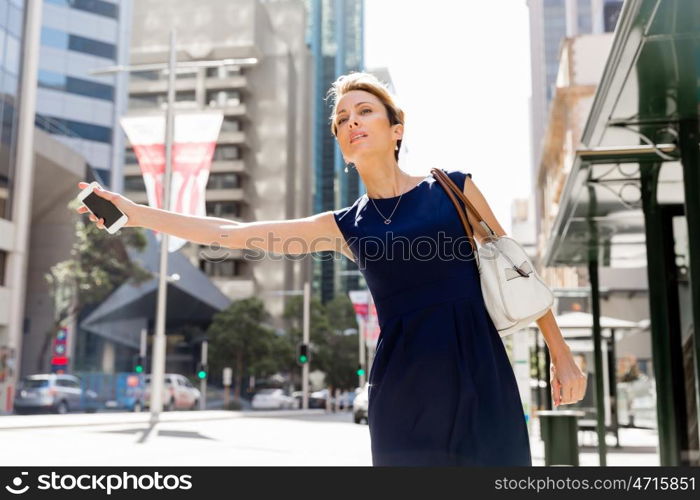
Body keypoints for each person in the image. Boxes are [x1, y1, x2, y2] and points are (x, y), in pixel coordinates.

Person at [77, 71, 586, 466]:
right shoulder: (342, 225)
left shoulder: (452, 189)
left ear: (396, 129)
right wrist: (135, 214)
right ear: (341, 145)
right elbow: (230, 234)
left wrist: (560, 353)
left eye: (365, 111)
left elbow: (519, 273)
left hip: (480, 369)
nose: (352, 122)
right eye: (342, 120)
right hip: (403, 387)